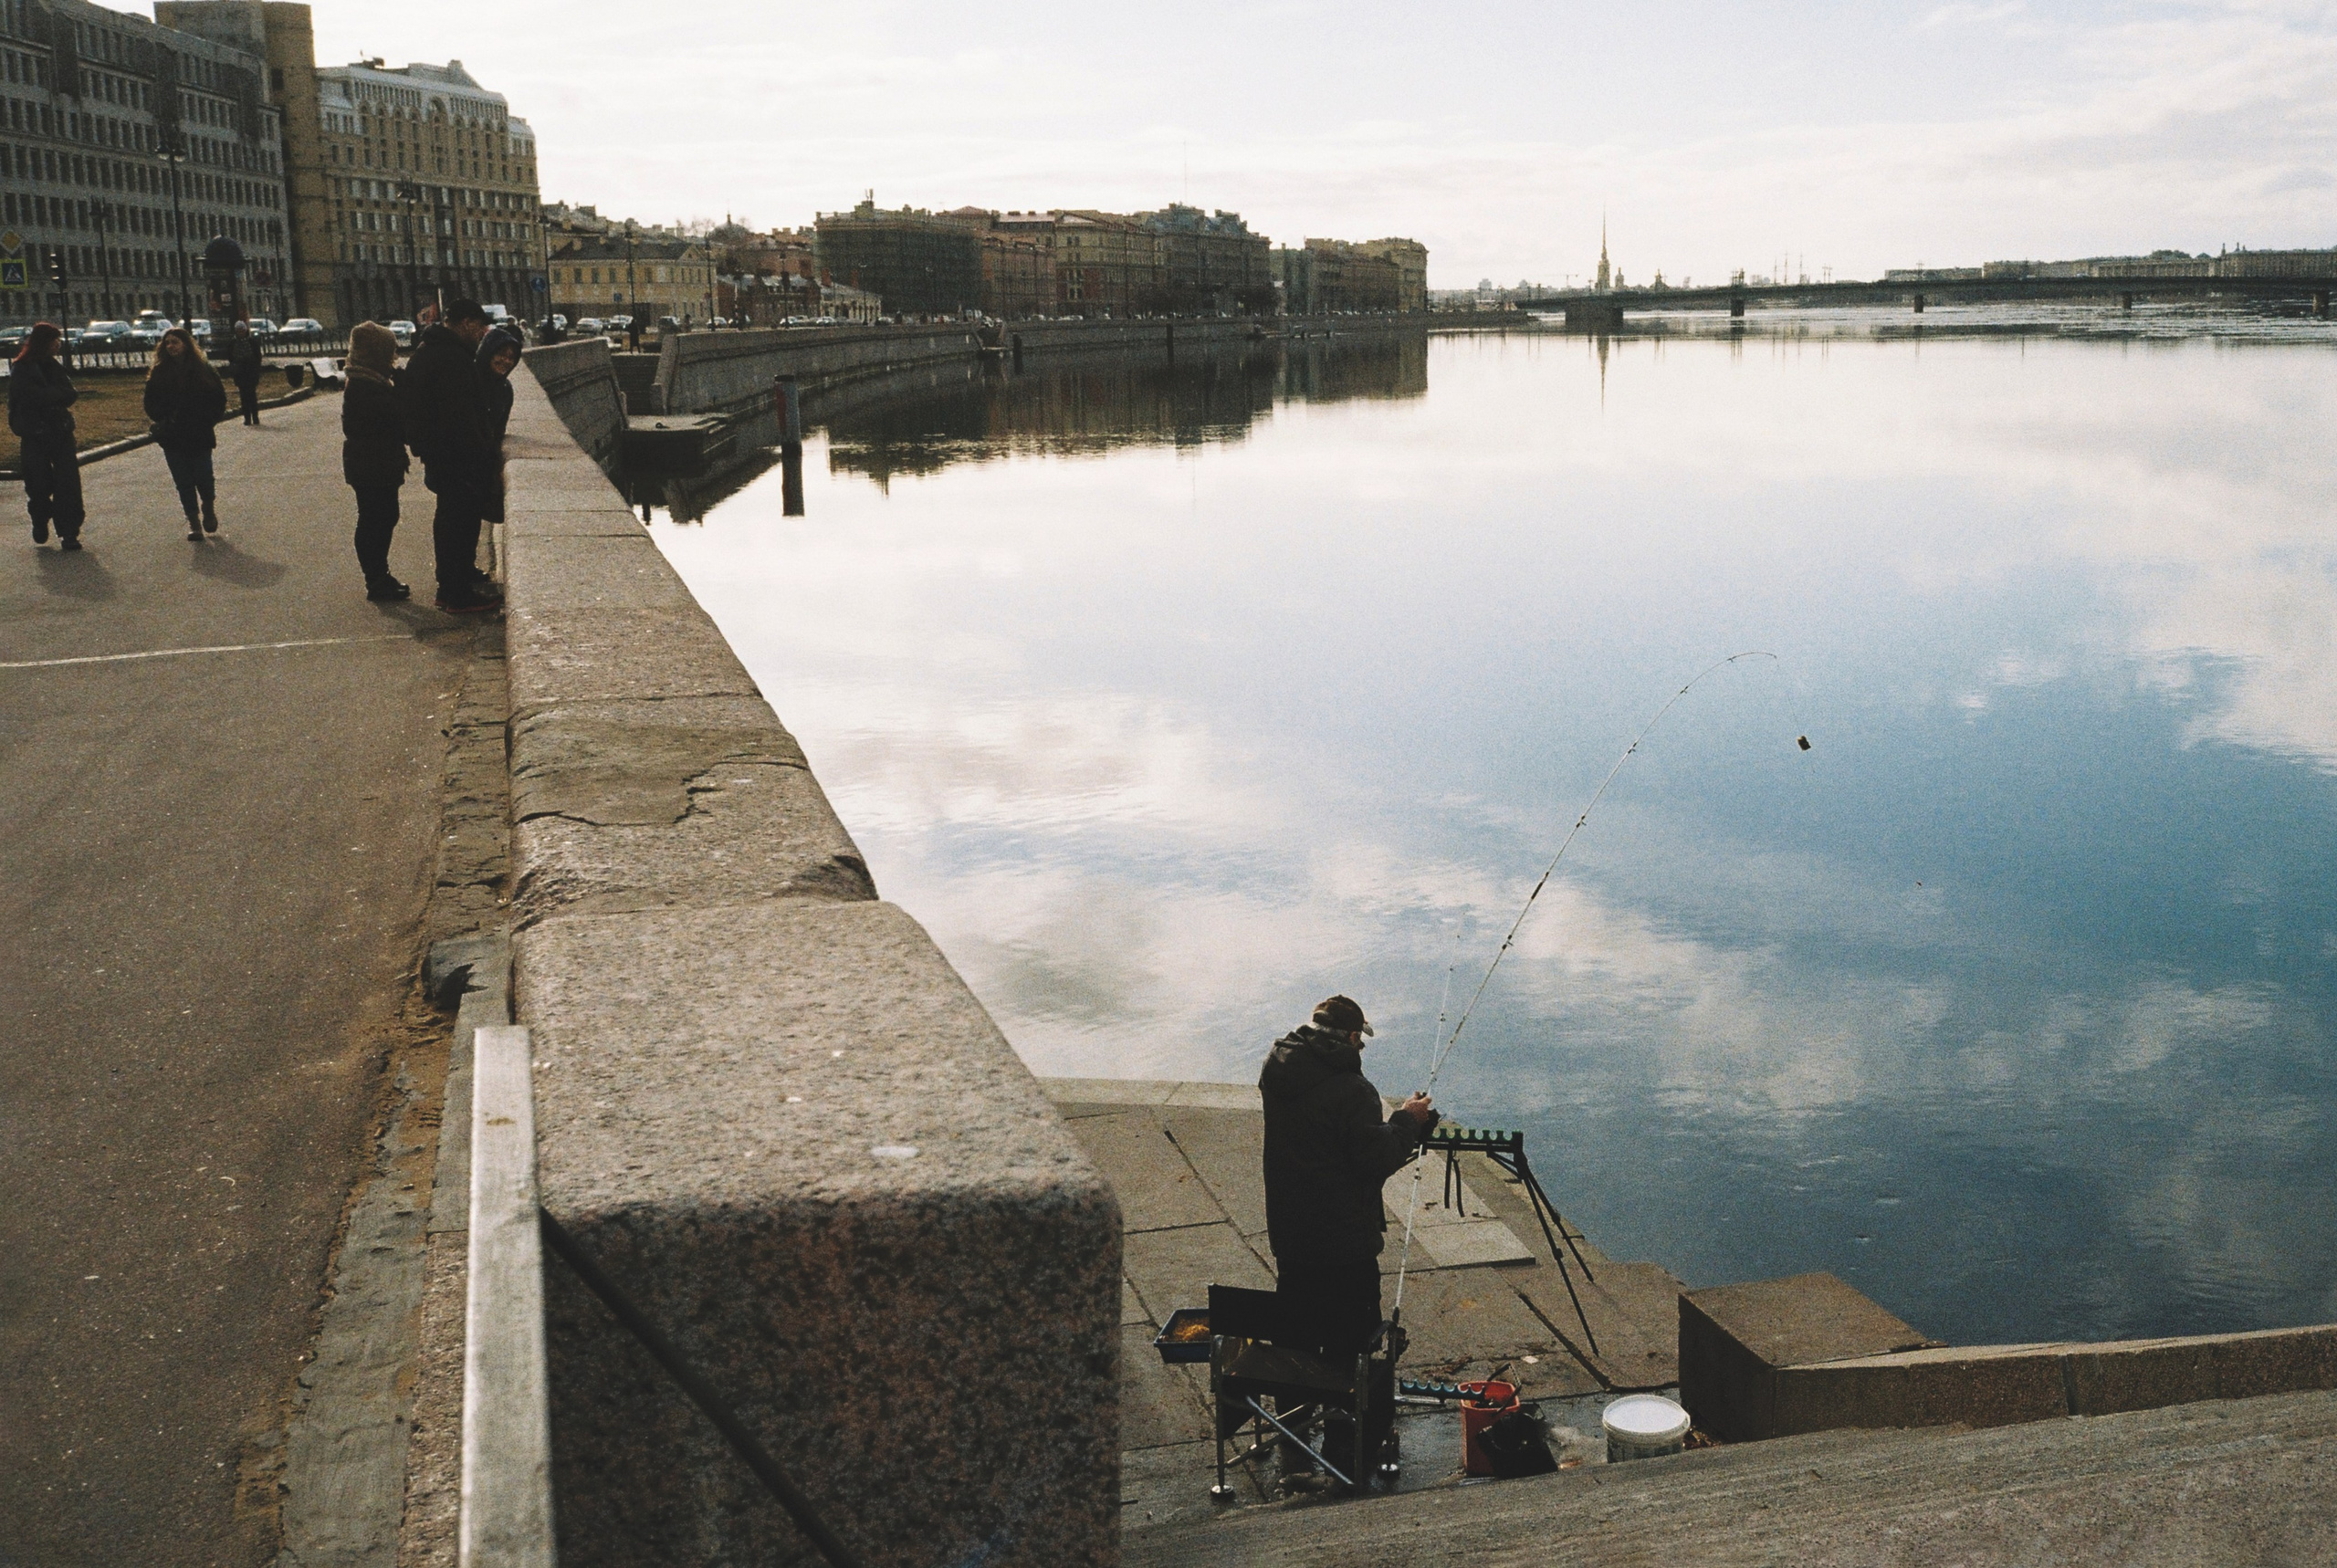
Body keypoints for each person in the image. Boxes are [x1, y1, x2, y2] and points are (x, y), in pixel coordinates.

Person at [1259, 995, 1435, 1481]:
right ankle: (1343, 1442)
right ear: (1353, 1038)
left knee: (1295, 1334)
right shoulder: (1353, 1090)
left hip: (1292, 1234)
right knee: (1348, 1339)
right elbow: (1373, 1160)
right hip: (1346, 1242)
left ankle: (1294, 1439)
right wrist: (1408, 1120)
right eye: (1361, 1039)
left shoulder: (1276, 1072)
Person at [399, 298, 501, 613]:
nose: (484, 333)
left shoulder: (432, 351)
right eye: (481, 326)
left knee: (455, 519)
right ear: (467, 323)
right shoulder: (450, 358)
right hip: (455, 456)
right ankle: (454, 591)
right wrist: (481, 452)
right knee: (456, 521)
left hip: (441, 453)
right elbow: (459, 417)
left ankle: (458, 576)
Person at [341, 321, 410, 600]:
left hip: (373, 462)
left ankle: (380, 575)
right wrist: (402, 391)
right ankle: (376, 580)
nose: (394, 357)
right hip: (372, 463)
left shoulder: (369, 378)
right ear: (377, 352)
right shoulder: (365, 384)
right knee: (374, 520)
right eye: (390, 351)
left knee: (382, 517)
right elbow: (393, 420)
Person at [141, 326, 227, 540]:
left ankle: (208, 507)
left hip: (199, 433)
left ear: (187, 344)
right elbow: (150, 403)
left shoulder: (203, 369)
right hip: (173, 436)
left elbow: (219, 398)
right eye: (167, 343)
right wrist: (163, 418)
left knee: (204, 477)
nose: (171, 346)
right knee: (183, 480)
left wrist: (208, 420)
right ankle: (193, 521)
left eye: (175, 342)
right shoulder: (159, 372)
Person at [10, 322, 83, 549]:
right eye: (55, 340)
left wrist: (51, 396)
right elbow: (27, 398)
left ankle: (69, 532)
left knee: (68, 483)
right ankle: (40, 519)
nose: (59, 345)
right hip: (35, 432)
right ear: (44, 342)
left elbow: (70, 394)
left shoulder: (54, 366)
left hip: (60, 431)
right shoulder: (23, 367)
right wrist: (54, 396)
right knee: (38, 482)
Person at [225, 318, 264, 426]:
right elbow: (230, 357)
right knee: (243, 396)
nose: (240, 332)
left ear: (245, 330)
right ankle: (247, 418)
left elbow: (258, 357)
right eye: (238, 330)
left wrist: (256, 369)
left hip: (251, 372)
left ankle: (255, 417)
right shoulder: (233, 343)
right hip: (240, 373)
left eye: (242, 330)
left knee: (252, 395)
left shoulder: (252, 342)